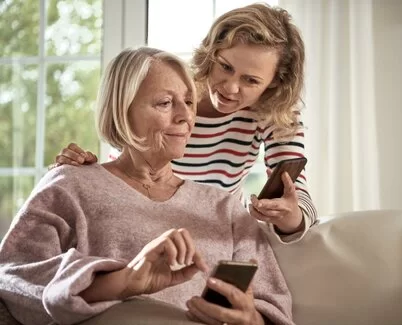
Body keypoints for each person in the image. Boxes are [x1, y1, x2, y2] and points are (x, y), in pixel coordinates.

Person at [0, 47, 294, 325]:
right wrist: (122, 281)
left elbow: (274, 304)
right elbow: (12, 277)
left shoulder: (224, 207)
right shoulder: (70, 183)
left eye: (189, 102)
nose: (185, 116)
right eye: (165, 103)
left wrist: (251, 319)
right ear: (122, 110)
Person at [54, 3, 318, 244]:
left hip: (210, 233)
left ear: (274, 82)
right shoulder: (174, 86)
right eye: (225, 67)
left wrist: (288, 216)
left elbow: (299, 200)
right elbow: (127, 156)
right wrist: (86, 173)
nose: (230, 87)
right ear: (212, 52)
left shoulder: (275, 114)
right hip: (140, 219)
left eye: (250, 80)